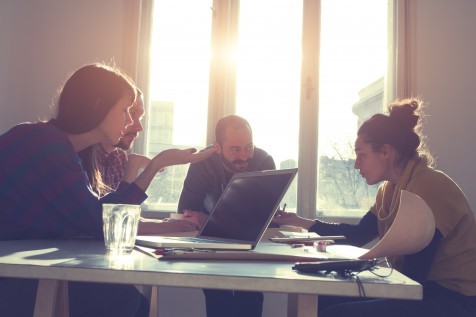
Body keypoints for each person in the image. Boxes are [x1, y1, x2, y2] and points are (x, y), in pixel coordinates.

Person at [0, 63, 215, 317]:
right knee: (125, 301)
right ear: (98, 105)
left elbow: (91, 219)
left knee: (127, 300)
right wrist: (156, 165)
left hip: (21, 266)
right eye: (125, 110)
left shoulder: (64, 148)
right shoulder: (44, 143)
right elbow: (102, 222)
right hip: (13, 276)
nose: (129, 121)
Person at [273, 98, 476, 317]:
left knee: (336, 313)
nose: (356, 164)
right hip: (421, 289)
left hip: (452, 299)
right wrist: (298, 221)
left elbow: (414, 275)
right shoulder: (388, 191)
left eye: (361, 155)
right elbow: (358, 234)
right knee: (320, 300)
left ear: (385, 152)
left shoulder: (429, 186)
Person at [177, 114, 276, 317]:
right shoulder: (202, 163)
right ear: (217, 146)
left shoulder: (264, 160)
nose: (244, 155)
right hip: (211, 245)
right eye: (235, 149)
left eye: (249, 147)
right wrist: (230, 222)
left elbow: (261, 219)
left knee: (250, 298)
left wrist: (207, 220)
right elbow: (186, 213)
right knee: (217, 298)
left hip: (251, 245)